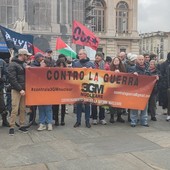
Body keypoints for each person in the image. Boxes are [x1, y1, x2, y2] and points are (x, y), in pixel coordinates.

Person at [8, 49, 32, 135]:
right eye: (26, 55)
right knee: (15, 109)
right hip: (17, 90)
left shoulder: (23, 64)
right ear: (22, 55)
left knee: (22, 109)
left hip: (23, 90)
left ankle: (21, 125)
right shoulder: (13, 64)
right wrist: (20, 89)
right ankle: (12, 126)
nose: (27, 57)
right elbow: (12, 79)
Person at [73, 49, 94, 128]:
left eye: (81, 54)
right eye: (79, 54)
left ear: (85, 55)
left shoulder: (90, 63)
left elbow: (96, 74)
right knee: (78, 104)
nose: (79, 55)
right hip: (78, 86)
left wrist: (90, 70)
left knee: (87, 104)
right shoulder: (75, 63)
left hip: (88, 86)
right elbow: (72, 73)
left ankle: (87, 121)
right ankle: (78, 121)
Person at [130, 55, 151, 127]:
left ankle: (144, 121)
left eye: (142, 59)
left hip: (145, 91)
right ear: (136, 60)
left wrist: (156, 77)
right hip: (135, 91)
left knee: (144, 107)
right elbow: (128, 77)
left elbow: (151, 76)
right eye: (140, 59)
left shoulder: (147, 68)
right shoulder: (132, 68)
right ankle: (133, 121)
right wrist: (132, 74)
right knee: (134, 106)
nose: (141, 61)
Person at [37, 58, 53, 131]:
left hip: (48, 93)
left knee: (48, 108)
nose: (40, 63)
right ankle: (42, 123)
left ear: (46, 64)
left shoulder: (51, 71)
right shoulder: (37, 70)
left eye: (42, 62)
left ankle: (49, 123)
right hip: (40, 92)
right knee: (41, 108)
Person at [109, 56, 126, 123]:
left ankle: (119, 116)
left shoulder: (123, 68)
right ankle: (112, 116)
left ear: (119, 62)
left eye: (117, 60)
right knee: (112, 103)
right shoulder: (110, 68)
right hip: (112, 88)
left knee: (120, 103)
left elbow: (126, 76)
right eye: (115, 60)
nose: (116, 61)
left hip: (120, 89)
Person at [29, 52, 44, 125]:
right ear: (38, 58)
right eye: (41, 57)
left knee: (37, 106)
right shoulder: (33, 65)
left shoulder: (39, 64)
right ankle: (31, 120)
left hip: (39, 88)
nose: (43, 58)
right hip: (33, 88)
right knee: (33, 107)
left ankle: (33, 119)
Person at [91, 52, 107, 125]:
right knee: (94, 103)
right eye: (96, 55)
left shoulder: (106, 65)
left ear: (102, 57)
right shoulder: (92, 64)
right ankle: (94, 118)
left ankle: (102, 118)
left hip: (103, 85)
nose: (97, 57)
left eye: (99, 56)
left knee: (102, 103)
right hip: (93, 85)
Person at [52, 59, 67, 126]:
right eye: (60, 65)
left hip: (64, 90)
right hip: (56, 90)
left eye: (62, 65)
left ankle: (62, 120)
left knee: (63, 106)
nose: (61, 66)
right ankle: (56, 120)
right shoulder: (54, 70)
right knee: (56, 106)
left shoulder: (66, 71)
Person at [160, 52, 170, 121]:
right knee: (167, 99)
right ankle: (168, 113)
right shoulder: (164, 64)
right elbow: (162, 74)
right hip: (166, 85)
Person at [0, 58, 9, 127]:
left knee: (2, 105)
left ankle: (4, 121)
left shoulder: (2, 62)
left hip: (0, 87)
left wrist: (3, 78)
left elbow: (6, 73)